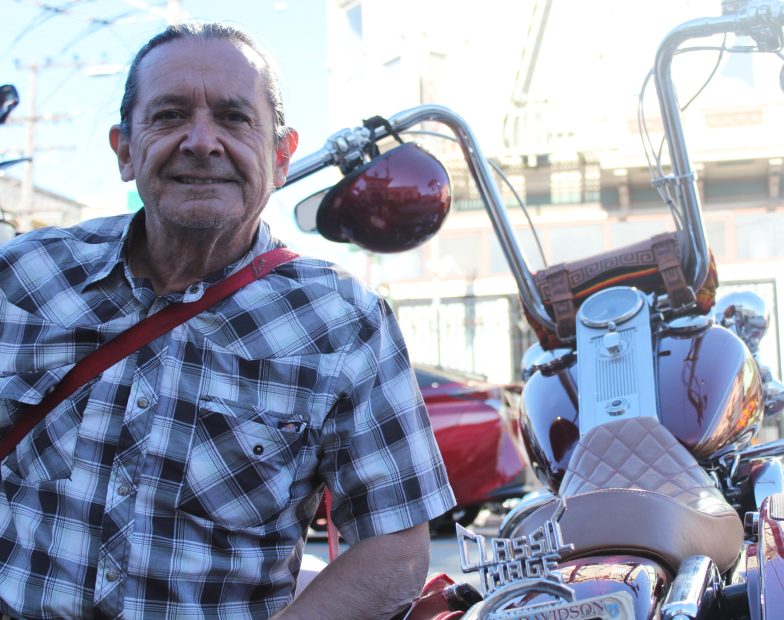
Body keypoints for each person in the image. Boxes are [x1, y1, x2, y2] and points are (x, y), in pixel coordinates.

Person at [0, 22, 456, 619]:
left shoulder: (344, 324)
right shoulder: (23, 278)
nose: (201, 142)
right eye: (167, 116)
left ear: (282, 156)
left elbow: (395, 548)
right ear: (124, 150)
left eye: (235, 118)